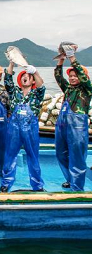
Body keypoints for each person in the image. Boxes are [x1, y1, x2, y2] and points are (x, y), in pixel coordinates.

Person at [1, 62, 46, 192]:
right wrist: (11, 62)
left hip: (31, 129)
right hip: (14, 129)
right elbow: (8, 80)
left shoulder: (36, 94)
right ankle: (6, 182)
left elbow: (42, 86)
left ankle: (37, 185)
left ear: (33, 81)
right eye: (23, 76)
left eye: (28, 76)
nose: (25, 78)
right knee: (10, 155)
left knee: (33, 156)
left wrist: (35, 72)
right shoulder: (14, 92)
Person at [54, 45, 92, 191]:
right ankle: (70, 180)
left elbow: (83, 75)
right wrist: (61, 60)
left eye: (75, 75)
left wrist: (72, 58)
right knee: (61, 154)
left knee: (77, 157)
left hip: (78, 127)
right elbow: (58, 77)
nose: (72, 78)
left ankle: (77, 187)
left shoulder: (87, 89)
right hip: (62, 126)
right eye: (70, 76)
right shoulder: (68, 89)